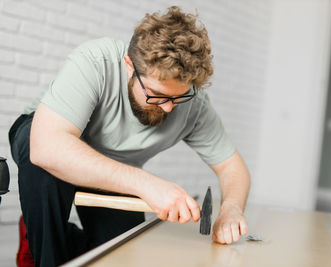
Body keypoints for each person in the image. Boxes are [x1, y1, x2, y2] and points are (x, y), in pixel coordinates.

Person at [9, 6, 250, 267]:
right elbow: (46, 146)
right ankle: (43, 243)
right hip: (48, 139)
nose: (168, 107)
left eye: (179, 96)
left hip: (114, 168)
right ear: (129, 66)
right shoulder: (95, 61)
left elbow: (232, 167)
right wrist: (146, 184)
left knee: (120, 253)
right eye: (157, 94)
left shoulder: (195, 105)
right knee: (45, 171)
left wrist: (231, 209)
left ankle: (45, 232)